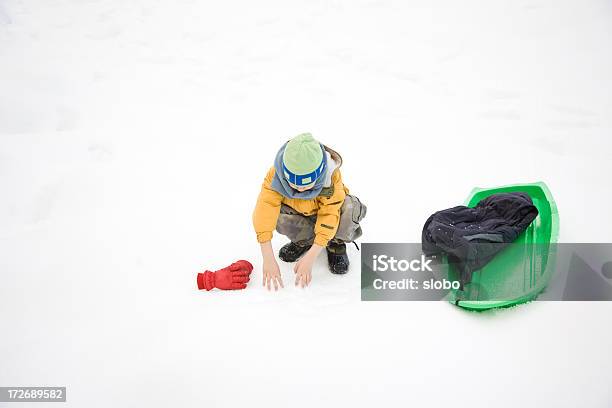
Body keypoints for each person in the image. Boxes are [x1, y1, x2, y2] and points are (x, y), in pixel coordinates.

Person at [252, 133, 367, 290]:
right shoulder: (275, 176)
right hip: (302, 217)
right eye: (293, 182)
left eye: (306, 183)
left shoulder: (330, 178)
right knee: (277, 215)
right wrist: (267, 257)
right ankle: (303, 241)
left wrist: (311, 257)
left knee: (348, 208)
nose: (299, 188)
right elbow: (265, 208)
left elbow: (329, 215)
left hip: (328, 219)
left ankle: (335, 244)